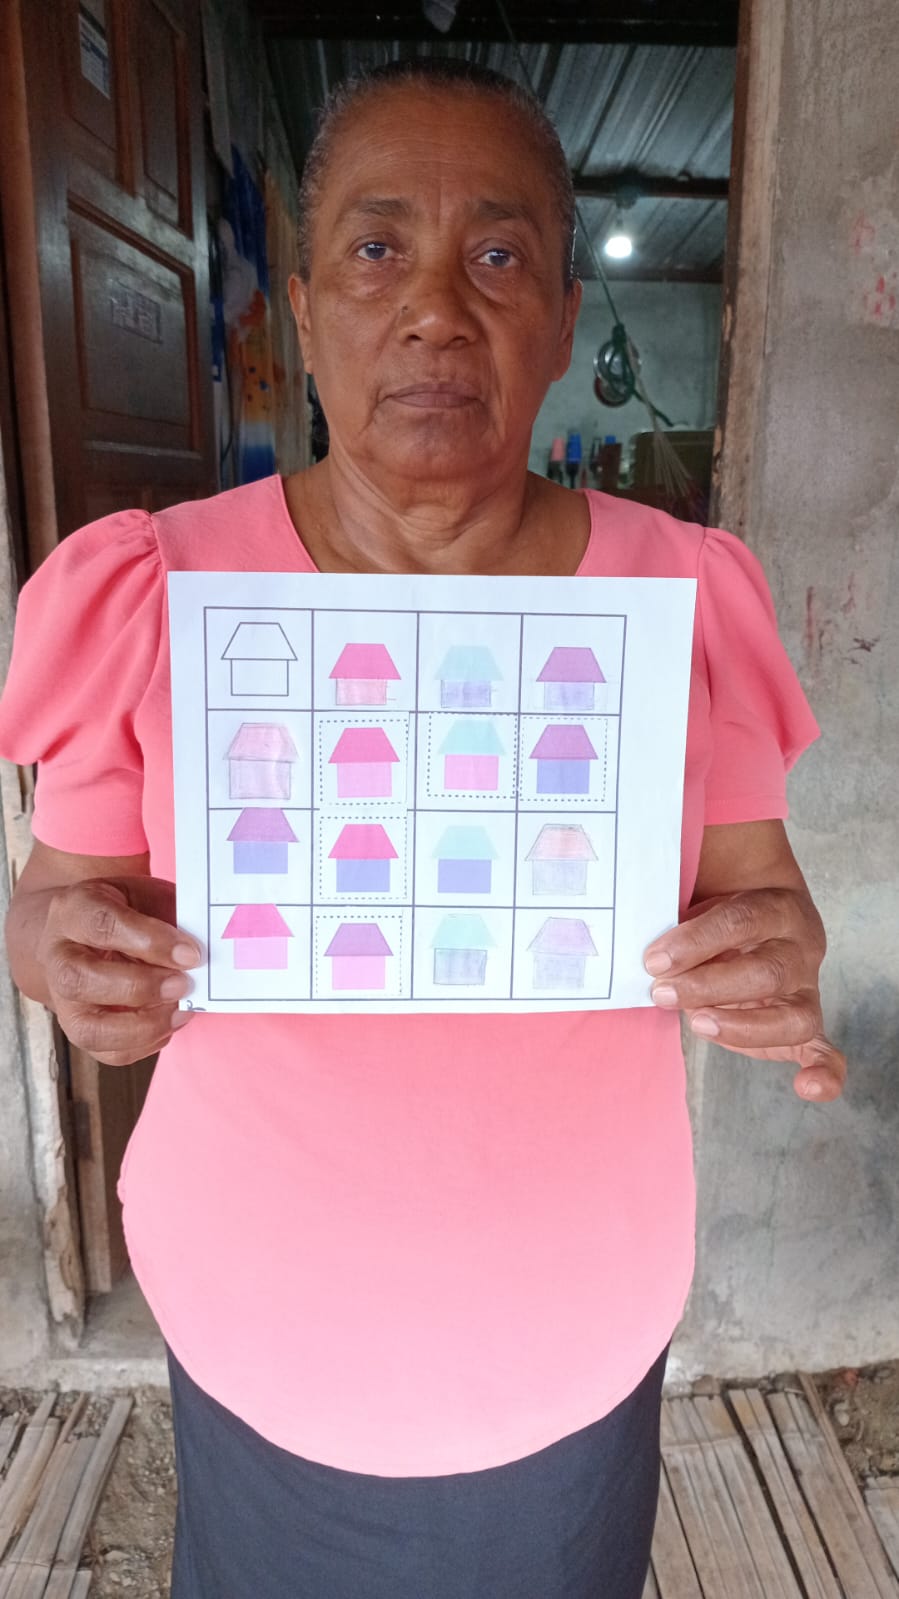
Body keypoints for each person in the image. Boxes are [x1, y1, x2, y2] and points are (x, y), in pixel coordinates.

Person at [0, 58, 845, 1599]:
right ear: (305, 307)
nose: (438, 311)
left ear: (566, 324)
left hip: (572, 1319)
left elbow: (763, 898)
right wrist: (66, 956)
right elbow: (55, 901)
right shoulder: (154, 594)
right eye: (379, 249)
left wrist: (775, 966)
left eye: (499, 254)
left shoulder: (684, 598)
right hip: (259, 1312)